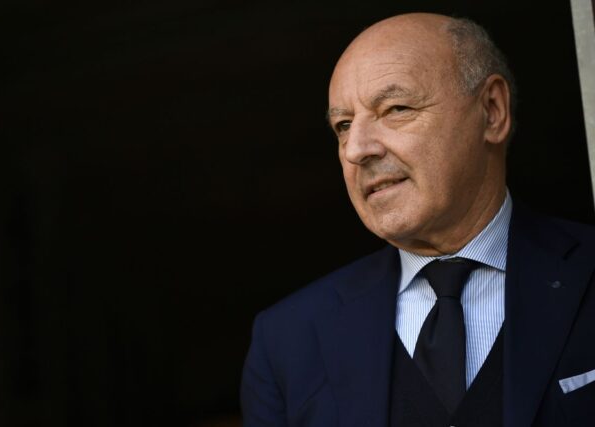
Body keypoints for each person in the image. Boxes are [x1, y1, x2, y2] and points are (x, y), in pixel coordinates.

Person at [240, 12, 595, 427]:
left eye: (395, 108)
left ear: (492, 111)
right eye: (343, 125)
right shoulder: (287, 340)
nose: (357, 149)